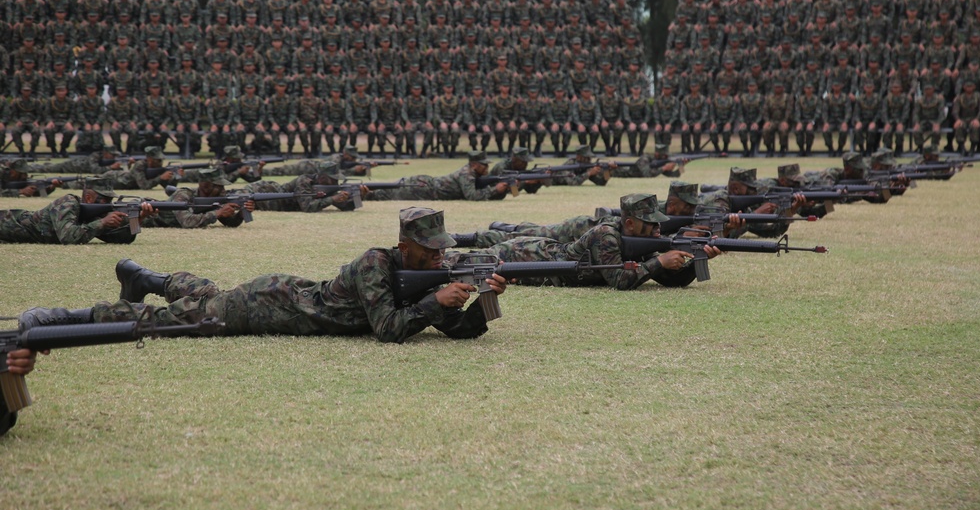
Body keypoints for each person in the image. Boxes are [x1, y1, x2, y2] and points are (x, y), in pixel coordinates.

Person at [19, 208, 506, 344]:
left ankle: (144, 274)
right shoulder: (375, 264)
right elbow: (390, 330)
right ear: (405, 247)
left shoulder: (420, 278)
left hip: (285, 292)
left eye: (443, 251)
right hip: (268, 304)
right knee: (175, 320)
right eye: (430, 251)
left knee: (209, 294)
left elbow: (454, 329)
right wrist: (435, 302)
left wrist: (479, 305)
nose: (441, 259)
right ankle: (64, 317)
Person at [483, 193, 722, 290]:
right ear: (629, 223)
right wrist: (660, 261)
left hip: (540, 259)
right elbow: (619, 280)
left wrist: (696, 260)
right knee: (480, 259)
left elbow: (672, 280)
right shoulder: (606, 235)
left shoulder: (642, 242)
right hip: (527, 254)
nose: (657, 229)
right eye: (650, 224)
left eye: (658, 223)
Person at [0, 177, 153, 244]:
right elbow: (68, 238)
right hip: (8, 223)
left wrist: (139, 219)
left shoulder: (93, 215)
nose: (108, 204)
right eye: (104, 200)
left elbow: (120, 240)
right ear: (88, 197)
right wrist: (102, 223)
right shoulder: (67, 202)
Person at [365, 151, 509, 201]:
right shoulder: (466, 174)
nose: (487, 168)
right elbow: (472, 196)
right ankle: (364, 193)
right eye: (484, 164)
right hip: (423, 189)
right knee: (388, 193)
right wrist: (495, 190)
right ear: (475, 164)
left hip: (425, 186)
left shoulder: (471, 172)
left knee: (391, 190)